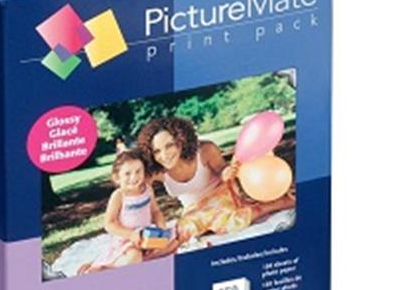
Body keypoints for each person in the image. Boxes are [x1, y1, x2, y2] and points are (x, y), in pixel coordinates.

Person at [137, 116, 294, 246]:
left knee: (228, 221)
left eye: (169, 146)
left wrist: (228, 172)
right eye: (156, 151)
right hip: (194, 208)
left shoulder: (205, 150)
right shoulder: (158, 170)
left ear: (181, 140)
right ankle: (154, 244)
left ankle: (277, 203)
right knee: (188, 227)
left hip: (221, 194)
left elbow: (222, 170)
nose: (164, 155)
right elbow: (136, 188)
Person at [77, 149, 168, 274]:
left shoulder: (148, 189)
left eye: (138, 171)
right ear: (117, 177)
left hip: (146, 236)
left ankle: (141, 259)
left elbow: (155, 211)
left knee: (172, 244)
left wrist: (162, 228)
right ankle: (106, 269)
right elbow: (109, 224)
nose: (134, 177)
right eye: (127, 173)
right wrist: (131, 234)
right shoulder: (119, 196)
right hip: (127, 239)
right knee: (135, 256)